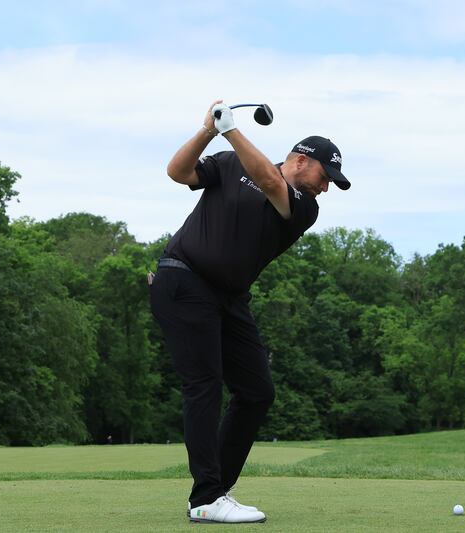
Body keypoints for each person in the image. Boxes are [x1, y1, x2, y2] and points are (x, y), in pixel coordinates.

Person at [149, 100, 350, 524]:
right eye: (325, 176)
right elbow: (177, 172)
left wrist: (231, 130)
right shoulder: (227, 162)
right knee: (203, 384)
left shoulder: (303, 205)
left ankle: (215, 490)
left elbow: (271, 183)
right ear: (301, 159)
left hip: (229, 298)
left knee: (257, 392)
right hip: (184, 280)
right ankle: (207, 498)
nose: (326, 187)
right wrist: (208, 130)